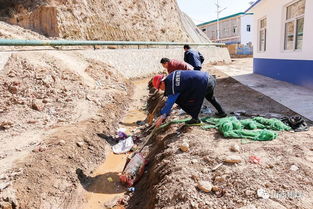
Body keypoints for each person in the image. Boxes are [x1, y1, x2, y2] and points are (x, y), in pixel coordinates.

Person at [152, 70, 226, 127]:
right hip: (209, 79)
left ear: (162, 82)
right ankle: (222, 113)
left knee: (185, 100)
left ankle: (195, 119)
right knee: (210, 97)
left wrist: (162, 116)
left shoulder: (172, 86)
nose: (161, 90)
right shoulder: (171, 75)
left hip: (203, 84)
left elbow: (170, 102)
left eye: (159, 87)